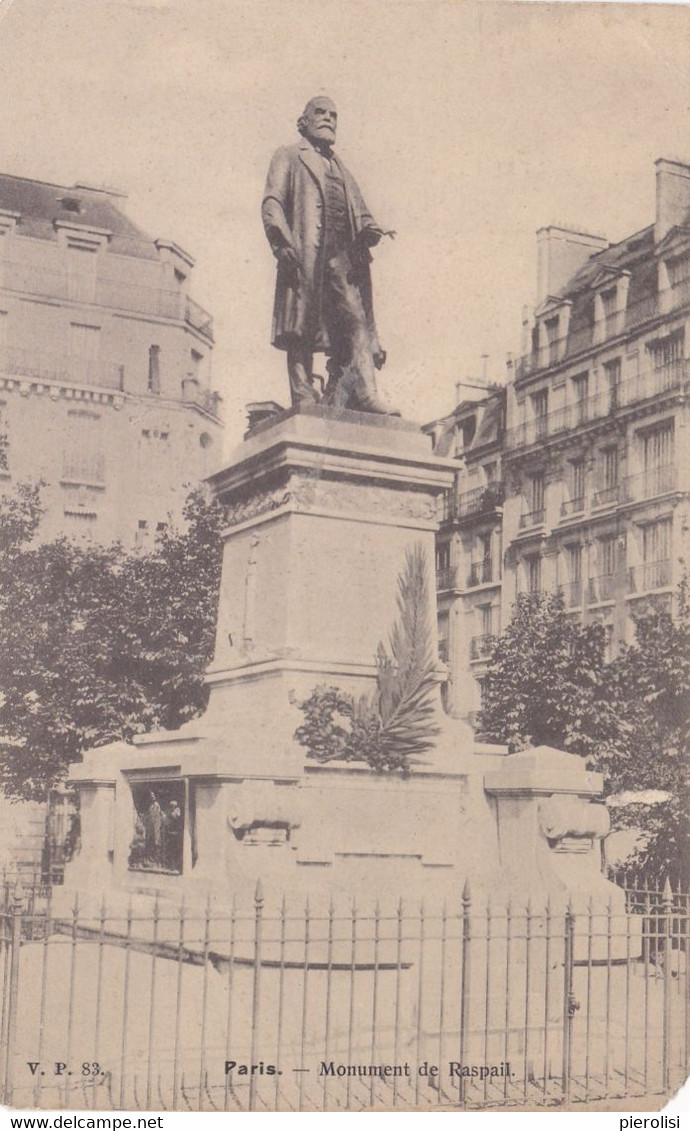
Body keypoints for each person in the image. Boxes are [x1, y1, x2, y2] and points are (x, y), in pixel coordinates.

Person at [262, 96, 398, 414]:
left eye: (334, 115)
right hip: (305, 253)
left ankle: (366, 392)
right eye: (320, 113)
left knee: (356, 320)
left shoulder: (341, 168)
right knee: (301, 326)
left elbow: (360, 212)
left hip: (341, 260)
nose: (328, 119)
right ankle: (302, 394)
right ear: (304, 121)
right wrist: (282, 241)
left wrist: (371, 230)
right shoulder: (288, 156)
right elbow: (272, 202)